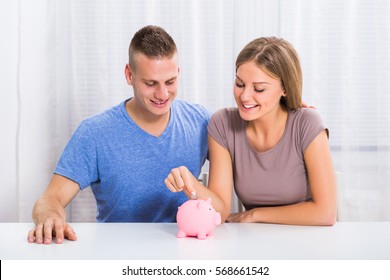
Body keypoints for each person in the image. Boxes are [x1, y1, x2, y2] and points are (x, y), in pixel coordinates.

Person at [27, 25, 210, 244]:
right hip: (117, 253)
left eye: (170, 82)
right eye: (150, 83)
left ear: (178, 72)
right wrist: (50, 217)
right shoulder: (94, 133)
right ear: (129, 75)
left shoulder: (201, 121)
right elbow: (50, 198)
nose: (162, 94)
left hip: (186, 253)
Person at [165, 36, 337, 226]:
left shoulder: (307, 123)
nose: (245, 96)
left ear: (285, 89)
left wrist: (254, 215)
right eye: (239, 84)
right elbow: (220, 212)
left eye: (259, 89)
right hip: (252, 239)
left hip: (309, 239)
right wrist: (192, 185)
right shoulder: (223, 124)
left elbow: (326, 213)